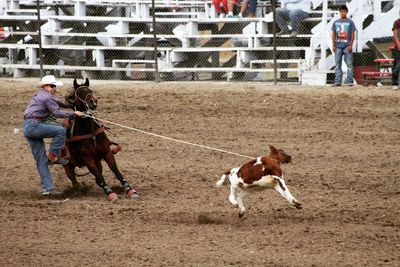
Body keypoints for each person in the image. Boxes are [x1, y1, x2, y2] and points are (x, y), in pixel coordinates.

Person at [23, 75, 84, 196]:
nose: (53, 88)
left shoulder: (41, 95)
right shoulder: (47, 97)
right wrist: (74, 113)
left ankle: (48, 189)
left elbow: (57, 103)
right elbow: (56, 112)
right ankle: (52, 157)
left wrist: (68, 106)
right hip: (35, 125)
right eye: (51, 86)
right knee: (60, 131)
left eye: (54, 86)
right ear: (45, 86)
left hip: (28, 127)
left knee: (41, 160)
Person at [332, 5, 356, 86]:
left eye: (344, 11)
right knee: (337, 64)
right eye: (341, 11)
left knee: (349, 64)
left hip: (347, 45)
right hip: (338, 46)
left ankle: (350, 81)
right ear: (339, 12)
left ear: (346, 12)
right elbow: (334, 34)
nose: (342, 13)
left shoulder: (350, 22)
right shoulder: (335, 22)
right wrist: (333, 45)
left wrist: (351, 45)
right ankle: (338, 81)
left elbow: (353, 34)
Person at [392, 14, 400, 90]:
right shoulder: (397, 22)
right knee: (397, 66)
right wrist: (398, 45)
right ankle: (394, 83)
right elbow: (395, 35)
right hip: (398, 49)